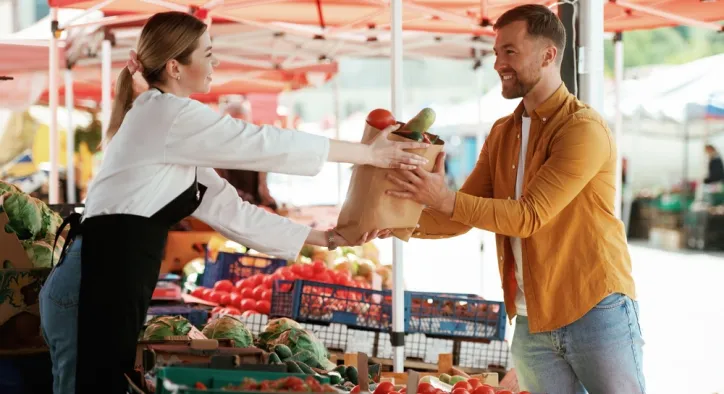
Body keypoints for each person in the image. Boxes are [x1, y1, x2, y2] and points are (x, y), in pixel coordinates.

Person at [38, 11, 428, 394]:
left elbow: (231, 211)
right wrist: (368, 155)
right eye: (208, 54)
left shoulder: (170, 126)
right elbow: (262, 142)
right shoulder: (168, 114)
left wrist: (327, 238)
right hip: (89, 287)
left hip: (103, 284)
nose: (216, 62)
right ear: (175, 66)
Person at [382, 5, 644, 394]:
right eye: (495, 53)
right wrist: (391, 221)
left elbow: (528, 216)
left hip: (594, 309)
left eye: (510, 52)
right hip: (530, 317)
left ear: (548, 55)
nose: (498, 64)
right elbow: (462, 213)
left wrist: (443, 198)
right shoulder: (502, 132)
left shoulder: (582, 128)